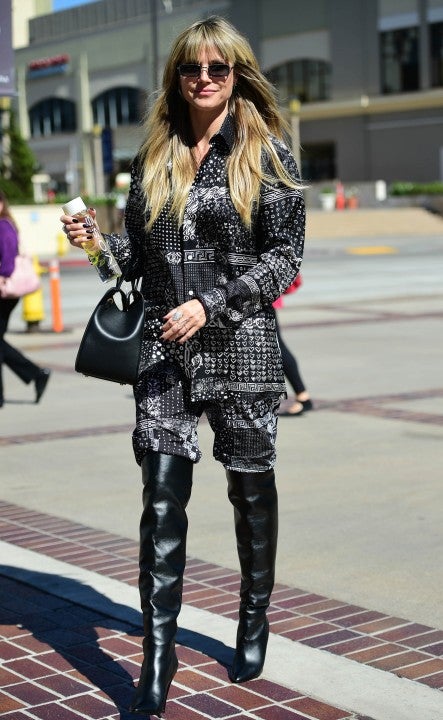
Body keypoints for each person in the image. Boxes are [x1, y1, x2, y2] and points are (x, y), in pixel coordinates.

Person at [61, 15, 305, 717]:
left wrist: (211, 304)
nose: (203, 78)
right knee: (161, 503)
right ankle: (157, 655)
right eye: (191, 68)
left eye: (217, 68)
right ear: (176, 77)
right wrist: (95, 243)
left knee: (249, 492)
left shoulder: (268, 155)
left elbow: (284, 258)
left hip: (241, 348)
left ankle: (253, 617)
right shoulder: (155, 158)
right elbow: (135, 262)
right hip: (164, 353)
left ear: (236, 75)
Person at [0, 190, 51, 408]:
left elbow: (8, 262)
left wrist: (2, 275)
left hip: (4, 291)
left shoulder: (3, 226)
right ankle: (36, 374)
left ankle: (36, 374)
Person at [273, 275, 314, 417]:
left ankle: (303, 396)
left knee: (276, 346)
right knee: (276, 346)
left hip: (256, 299)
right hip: (256, 297)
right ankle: (302, 396)